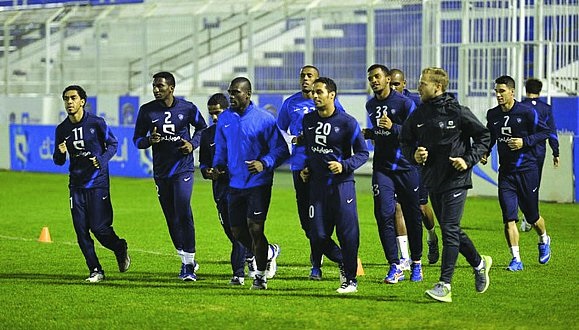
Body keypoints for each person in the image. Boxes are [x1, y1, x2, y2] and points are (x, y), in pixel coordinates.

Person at [400, 67, 492, 303]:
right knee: (452, 231)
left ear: (437, 87)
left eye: (423, 83)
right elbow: (405, 142)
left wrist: (467, 160)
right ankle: (480, 263)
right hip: (432, 180)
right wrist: (414, 156)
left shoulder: (458, 111)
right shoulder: (419, 114)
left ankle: (445, 285)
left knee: (449, 229)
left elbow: (484, 137)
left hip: (456, 180)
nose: (419, 87)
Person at [210, 77, 289, 290]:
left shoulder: (265, 119)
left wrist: (264, 163)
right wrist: (217, 166)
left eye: (236, 92)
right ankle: (269, 252)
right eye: (230, 92)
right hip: (234, 184)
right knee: (237, 232)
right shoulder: (225, 118)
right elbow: (221, 149)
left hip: (259, 183)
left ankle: (260, 277)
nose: (232, 96)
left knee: (255, 228)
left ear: (248, 94)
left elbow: (282, 150)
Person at [132, 72, 207, 281]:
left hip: (183, 169)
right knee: (171, 218)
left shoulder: (188, 108)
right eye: (154, 86)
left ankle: (188, 264)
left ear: (171, 88)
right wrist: (149, 140)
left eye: (160, 86)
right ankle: (185, 257)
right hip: (161, 173)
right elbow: (137, 140)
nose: (156, 90)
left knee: (183, 210)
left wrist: (192, 144)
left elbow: (203, 128)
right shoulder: (146, 111)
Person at [53, 85, 130, 283]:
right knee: (80, 231)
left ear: (82, 101)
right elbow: (58, 161)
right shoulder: (62, 129)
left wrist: (101, 160)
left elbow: (113, 144)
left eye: (73, 98)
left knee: (99, 229)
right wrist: (60, 153)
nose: (69, 102)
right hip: (76, 186)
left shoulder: (96, 123)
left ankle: (119, 247)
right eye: (66, 99)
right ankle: (95, 270)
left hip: (97, 184)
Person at [300, 77, 369, 293]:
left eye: (319, 92)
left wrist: (344, 165)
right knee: (316, 235)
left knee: (348, 234)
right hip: (317, 187)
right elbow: (311, 150)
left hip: (342, 186)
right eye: (313, 92)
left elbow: (363, 153)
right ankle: (344, 260)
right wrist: (307, 167)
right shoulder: (308, 120)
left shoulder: (347, 122)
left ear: (332, 95)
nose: (315, 96)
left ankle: (350, 280)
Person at [276, 65, 345, 280]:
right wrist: (292, 140)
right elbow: (280, 130)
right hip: (299, 167)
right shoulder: (291, 104)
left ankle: (316, 265)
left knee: (322, 221)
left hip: (323, 168)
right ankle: (343, 257)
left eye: (310, 76)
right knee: (307, 224)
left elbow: (341, 127)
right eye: (303, 76)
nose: (305, 80)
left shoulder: (327, 104)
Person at [481, 75, 552, 272]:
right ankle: (516, 259)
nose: (498, 95)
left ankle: (544, 238)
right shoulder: (492, 114)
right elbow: (491, 136)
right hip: (506, 173)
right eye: (496, 91)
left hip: (527, 171)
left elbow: (545, 132)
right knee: (509, 216)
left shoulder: (527, 112)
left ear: (512, 92)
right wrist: (485, 151)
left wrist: (524, 142)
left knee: (532, 217)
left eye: (502, 91)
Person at [363, 64, 423, 284]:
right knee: (383, 214)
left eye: (377, 77)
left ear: (388, 79)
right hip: (383, 168)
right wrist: (370, 133)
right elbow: (381, 134)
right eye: (371, 78)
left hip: (406, 167)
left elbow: (415, 133)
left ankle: (416, 262)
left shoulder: (405, 103)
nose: (374, 81)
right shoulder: (370, 105)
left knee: (412, 216)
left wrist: (394, 127)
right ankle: (394, 265)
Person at [199, 93, 256, 285]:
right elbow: (203, 163)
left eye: (218, 112)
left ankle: (238, 274)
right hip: (220, 193)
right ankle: (261, 253)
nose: (215, 117)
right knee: (232, 234)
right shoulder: (207, 135)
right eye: (211, 114)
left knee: (238, 232)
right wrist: (207, 172)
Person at [390, 68, 440, 265]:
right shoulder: (383, 104)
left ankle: (432, 236)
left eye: (396, 84)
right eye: (390, 84)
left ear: (404, 83)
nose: (393, 88)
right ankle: (405, 257)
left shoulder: (417, 103)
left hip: (416, 162)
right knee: (397, 208)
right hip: (394, 163)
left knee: (420, 206)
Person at [520, 78, 560, 232]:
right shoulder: (546, 109)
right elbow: (552, 132)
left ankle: (528, 215)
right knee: (533, 185)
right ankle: (531, 216)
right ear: (540, 91)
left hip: (521, 151)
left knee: (518, 184)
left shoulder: (520, 106)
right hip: (538, 152)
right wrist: (555, 152)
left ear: (525, 89)